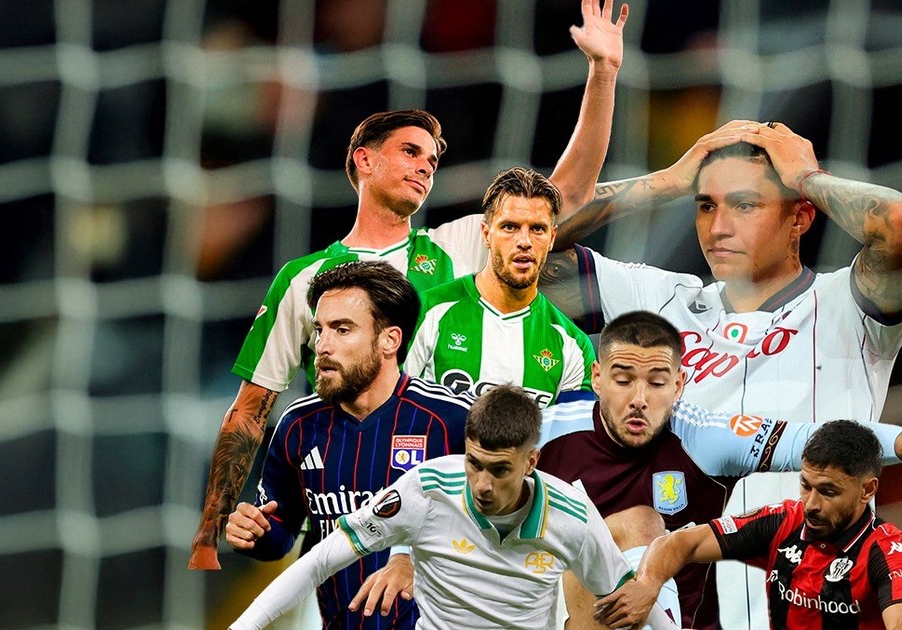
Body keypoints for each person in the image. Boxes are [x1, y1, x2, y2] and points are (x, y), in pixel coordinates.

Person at [190, 0, 630, 569]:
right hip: (346, 523)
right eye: (409, 152)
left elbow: (564, 196)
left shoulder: (457, 246)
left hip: (455, 526)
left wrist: (603, 73)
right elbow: (251, 409)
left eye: (431, 159)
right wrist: (208, 534)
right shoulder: (303, 279)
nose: (424, 165)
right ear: (363, 161)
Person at [355, 311, 902, 629]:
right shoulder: (546, 429)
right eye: (622, 379)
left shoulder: (705, 437)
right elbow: (450, 477)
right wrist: (407, 553)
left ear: (680, 383)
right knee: (619, 528)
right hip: (559, 616)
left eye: (656, 382)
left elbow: (815, 441)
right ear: (595, 377)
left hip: (683, 617)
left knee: (645, 526)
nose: (638, 398)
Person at [540, 120, 902, 626]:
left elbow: (899, 226)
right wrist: (670, 181)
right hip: (679, 608)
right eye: (706, 206)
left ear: (799, 217)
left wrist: (806, 177)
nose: (718, 227)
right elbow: (531, 239)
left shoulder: (846, 306)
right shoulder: (664, 301)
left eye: (745, 205)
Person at [229, 385, 678, 630]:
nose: (482, 485)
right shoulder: (427, 489)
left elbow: (631, 598)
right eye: (474, 463)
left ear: (531, 462)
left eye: (499, 470)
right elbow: (319, 562)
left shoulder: (571, 514)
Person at [225, 261, 479, 629]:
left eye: (342, 329)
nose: (322, 346)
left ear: (389, 340)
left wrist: (416, 560)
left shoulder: (451, 420)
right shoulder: (298, 426)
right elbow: (282, 531)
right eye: (319, 330)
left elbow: (500, 526)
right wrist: (255, 532)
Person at [594, 420, 902, 630]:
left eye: (828, 492)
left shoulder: (884, 551)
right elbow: (680, 542)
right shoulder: (784, 523)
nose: (811, 504)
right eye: (806, 486)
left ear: (867, 490)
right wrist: (648, 583)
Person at [404, 167, 596, 407]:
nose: (524, 242)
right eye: (510, 227)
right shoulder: (425, 311)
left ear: (552, 238)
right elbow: (390, 410)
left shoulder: (574, 345)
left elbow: (573, 429)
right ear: (486, 234)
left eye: (537, 229)